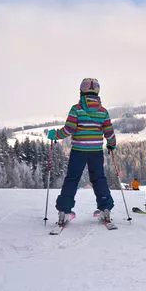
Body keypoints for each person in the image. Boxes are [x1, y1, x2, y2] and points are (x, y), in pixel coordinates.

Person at [47, 78, 117, 226]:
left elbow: (68, 129)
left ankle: (64, 211)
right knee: (99, 179)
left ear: (81, 92)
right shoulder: (103, 111)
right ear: (97, 92)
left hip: (78, 151)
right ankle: (105, 209)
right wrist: (112, 145)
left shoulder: (76, 109)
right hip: (96, 152)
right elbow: (109, 132)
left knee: (72, 179)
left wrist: (55, 135)